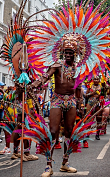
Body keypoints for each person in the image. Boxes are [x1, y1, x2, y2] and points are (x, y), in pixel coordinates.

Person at [32, 36, 82, 177]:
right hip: (57, 101)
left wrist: (80, 102)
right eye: (65, 52)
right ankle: (49, 166)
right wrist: (36, 84)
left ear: (75, 54)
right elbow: (46, 76)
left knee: (69, 132)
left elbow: (78, 86)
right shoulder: (57, 65)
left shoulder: (78, 68)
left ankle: (65, 163)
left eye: (70, 52)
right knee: (53, 131)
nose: (67, 55)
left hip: (71, 101)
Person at [85, 76, 102, 141]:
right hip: (90, 103)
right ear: (93, 80)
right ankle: (87, 134)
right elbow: (86, 95)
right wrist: (91, 93)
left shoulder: (101, 87)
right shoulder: (90, 86)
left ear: (99, 80)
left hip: (98, 103)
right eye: (95, 79)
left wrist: (99, 96)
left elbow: (104, 95)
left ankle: (97, 134)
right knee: (88, 118)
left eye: (97, 79)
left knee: (99, 119)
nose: (96, 80)